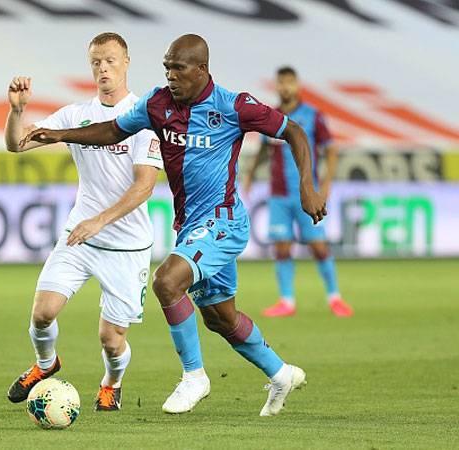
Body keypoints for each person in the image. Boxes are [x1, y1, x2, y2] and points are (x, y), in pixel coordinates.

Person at [20, 34, 326, 417]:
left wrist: (308, 187)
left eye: (178, 69)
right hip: (191, 226)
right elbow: (113, 130)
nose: (171, 77)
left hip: (223, 221)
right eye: (167, 68)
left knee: (166, 281)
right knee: (220, 318)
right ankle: (280, 373)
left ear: (202, 70)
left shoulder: (233, 106)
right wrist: (61, 135)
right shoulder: (157, 104)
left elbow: (293, 131)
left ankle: (194, 376)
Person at [5, 32, 163, 411]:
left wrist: (100, 221)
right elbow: (16, 144)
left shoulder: (144, 118)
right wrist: (17, 112)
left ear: (126, 62)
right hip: (81, 235)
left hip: (126, 245)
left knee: (111, 339)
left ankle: (112, 382)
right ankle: (46, 364)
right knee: (42, 313)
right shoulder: (75, 115)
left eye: (110, 61)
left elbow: (144, 186)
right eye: (96, 62)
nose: (103, 68)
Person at [242, 66, 353, 317]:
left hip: (306, 193)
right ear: (276, 86)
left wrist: (325, 185)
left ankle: (335, 297)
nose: (285, 87)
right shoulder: (270, 116)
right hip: (278, 194)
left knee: (318, 246)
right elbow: (264, 148)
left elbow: (330, 149)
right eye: (281, 82)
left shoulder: (312, 115)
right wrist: (250, 174)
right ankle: (286, 301)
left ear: (298, 85)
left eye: (289, 82)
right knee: (281, 247)